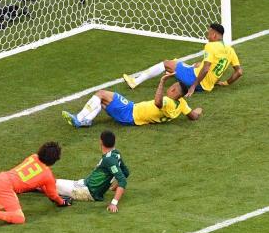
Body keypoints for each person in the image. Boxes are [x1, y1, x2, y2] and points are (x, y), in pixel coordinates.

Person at [123, 23, 243, 97]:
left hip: (195, 81)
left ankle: (135, 82)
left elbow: (206, 69)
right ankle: (174, 71)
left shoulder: (210, 46)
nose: (207, 36)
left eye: (209, 33)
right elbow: (239, 72)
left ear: (214, 35)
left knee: (166, 63)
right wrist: (225, 83)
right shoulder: (230, 50)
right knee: (195, 64)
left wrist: (193, 86)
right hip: (208, 85)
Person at [62, 73, 202, 128]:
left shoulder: (167, 101)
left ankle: (79, 119)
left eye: (173, 86)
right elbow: (193, 116)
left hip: (130, 113)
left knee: (101, 94)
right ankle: (87, 120)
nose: (170, 87)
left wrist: (161, 81)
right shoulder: (182, 104)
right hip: (131, 111)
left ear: (174, 91)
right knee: (102, 101)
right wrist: (198, 110)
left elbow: (157, 102)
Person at [56, 130, 129, 213]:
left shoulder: (109, 159)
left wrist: (114, 203)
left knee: (53, 184)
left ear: (101, 141)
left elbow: (122, 180)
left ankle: (37, 184)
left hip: (86, 191)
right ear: (115, 141)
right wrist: (114, 187)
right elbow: (126, 172)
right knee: (53, 183)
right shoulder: (116, 154)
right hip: (84, 185)